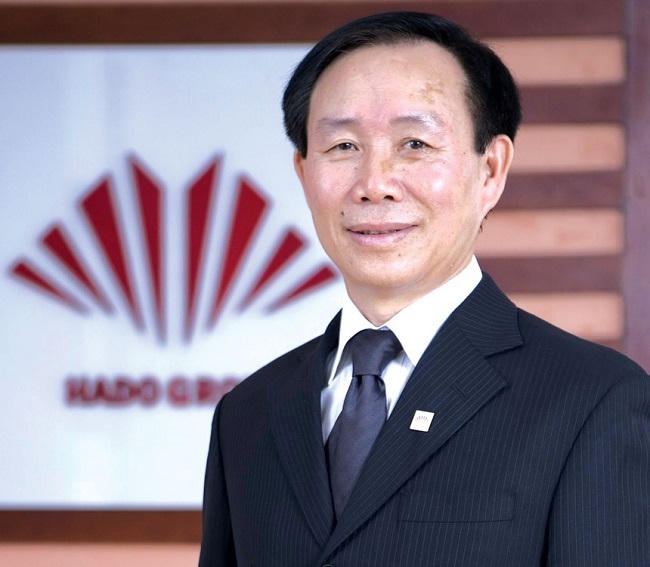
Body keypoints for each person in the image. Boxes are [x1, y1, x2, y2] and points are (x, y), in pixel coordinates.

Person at [199, 11, 649, 566]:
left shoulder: (593, 400)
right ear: (303, 171)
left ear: (490, 170)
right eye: (343, 146)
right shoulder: (248, 414)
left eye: (414, 143)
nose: (374, 184)